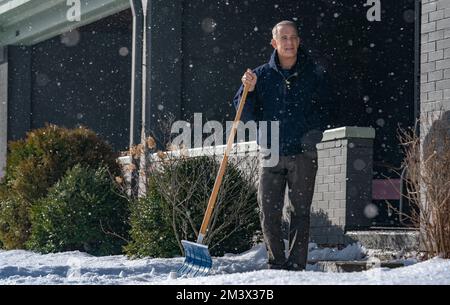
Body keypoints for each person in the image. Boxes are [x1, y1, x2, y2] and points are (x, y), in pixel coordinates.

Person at [233, 20, 333, 271]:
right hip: (271, 152)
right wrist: (250, 90)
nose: (289, 43)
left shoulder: (314, 74)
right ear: (274, 42)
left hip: (303, 152)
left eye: (293, 38)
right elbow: (244, 113)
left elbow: (327, 107)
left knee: (300, 211)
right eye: (283, 38)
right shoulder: (260, 76)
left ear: (298, 41)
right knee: (269, 211)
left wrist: (313, 133)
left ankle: (297, 264)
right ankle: (276, 262)